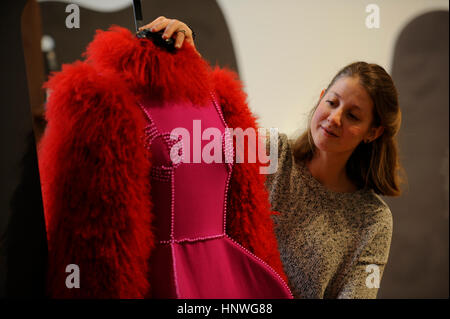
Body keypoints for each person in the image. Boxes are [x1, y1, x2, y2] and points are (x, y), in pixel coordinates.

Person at [143, 17, 403, 298]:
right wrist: (187, 61)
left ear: (372, 132)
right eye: (331, 102)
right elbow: (208, 130)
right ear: (320, 98)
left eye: (352, 115)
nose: (334, 118)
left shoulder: (372, 220)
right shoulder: (270, 151)